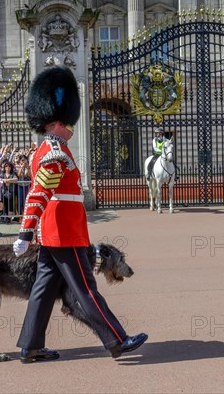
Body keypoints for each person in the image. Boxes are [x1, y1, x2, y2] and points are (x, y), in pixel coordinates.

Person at [12, 66, 147, 363]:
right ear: (58, 121)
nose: (73, 127)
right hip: (63, 230)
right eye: (69, 122)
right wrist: (24, 231)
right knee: (86, 288)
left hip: (57, 229)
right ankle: (117, 339)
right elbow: (39, 193)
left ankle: (30, 346)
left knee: (44, 290)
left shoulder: (49, 148)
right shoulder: (54, 151)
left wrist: (30, 231)